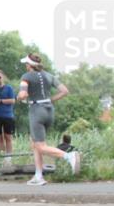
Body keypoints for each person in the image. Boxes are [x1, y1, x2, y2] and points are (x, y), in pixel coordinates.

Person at [17, 54, 79, 185]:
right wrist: (50, 100)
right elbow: (64, 91)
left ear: (30, 65)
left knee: (41, 146)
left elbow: (23, 94)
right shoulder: (49, 75)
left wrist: (19, 96)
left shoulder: (26, 77)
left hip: (36, 111)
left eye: (26, 64)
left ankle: (69, 156)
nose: (25, 66)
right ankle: (38, 176)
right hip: (49, 111)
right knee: (35, 144)